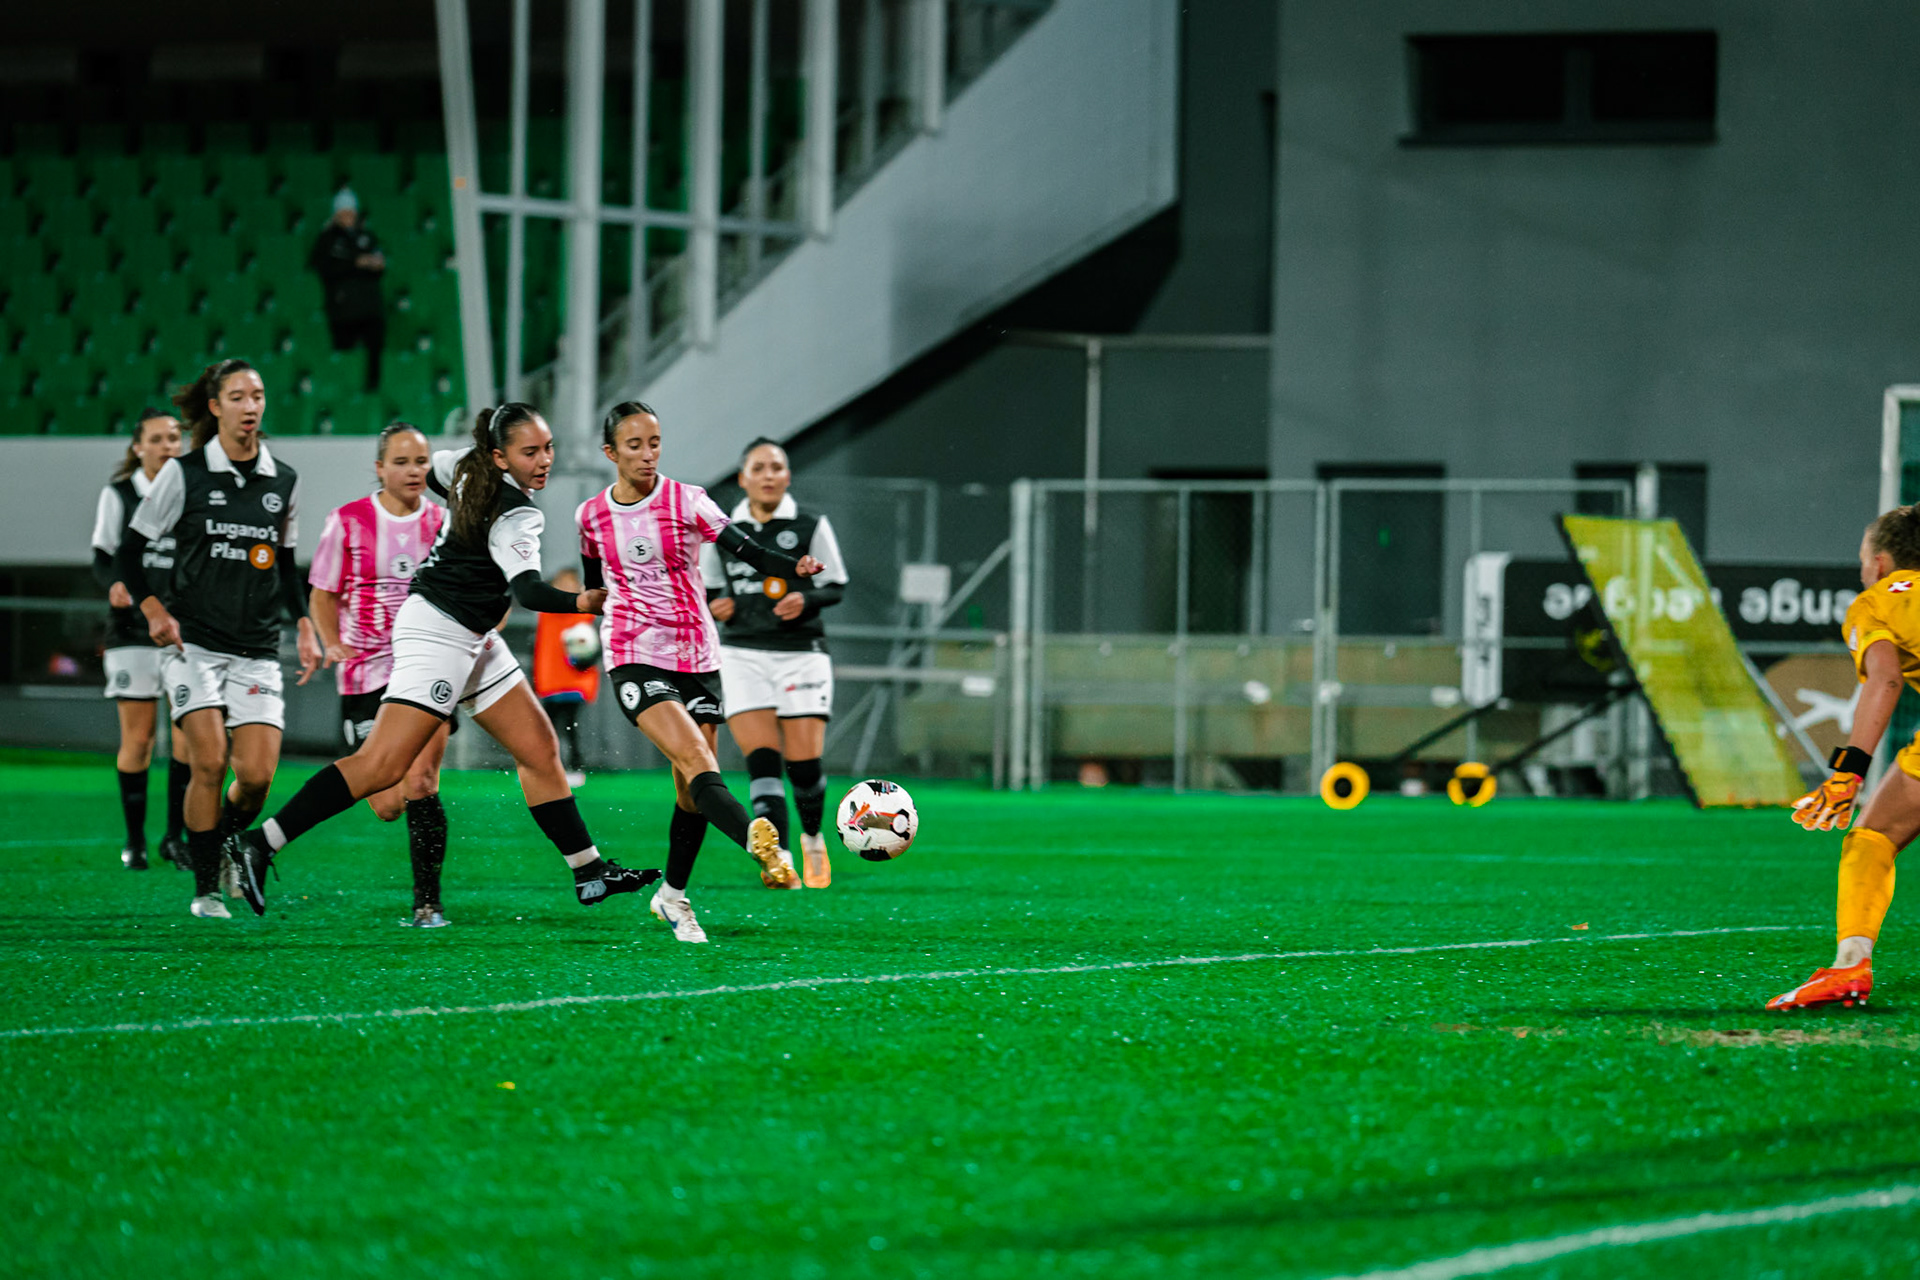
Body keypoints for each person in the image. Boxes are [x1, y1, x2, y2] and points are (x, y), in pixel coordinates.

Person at [223, 403, 660, 918]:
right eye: (530, 452)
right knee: (382, 767)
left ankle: (589, 871)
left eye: (548, 448)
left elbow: (435, 475)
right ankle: (261, 842)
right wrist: (582, 602)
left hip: (467, 632)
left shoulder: (465, 465)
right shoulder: (518, 512)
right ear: (500, 456)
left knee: (540, 747)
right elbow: (529, 590)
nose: (544, 460)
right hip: (439, 633)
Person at [579, 401, 823, 944]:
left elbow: (748, 550)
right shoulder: (591, 516)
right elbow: (596, 589)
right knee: (694, 760)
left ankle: (672, 898)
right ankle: (761, 844)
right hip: (633, 652)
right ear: (610, 452)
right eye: (635, 445)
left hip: (695, 656)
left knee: (691, 790)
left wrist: (795, 568)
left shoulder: (688, 500)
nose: (647, 454)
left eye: (655, 442)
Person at [117, 360, 322, 919]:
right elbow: (128, 553)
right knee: (208, 762)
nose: (251, 405)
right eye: (238, 396)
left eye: (257, 395)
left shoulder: (284, 480)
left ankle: (230, 845)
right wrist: (154, 608)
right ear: (215, 406)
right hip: (194, 646)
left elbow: (284, 564)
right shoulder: (183, 475)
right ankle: (206, 887)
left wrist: (304, 622)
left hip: (256, 648)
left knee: (255, 778)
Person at [1770, 504, 1920, 1010]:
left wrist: (1847, 772)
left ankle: (1850, 965)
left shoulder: (1875, 602)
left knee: (1872, 837)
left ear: (1879, 563)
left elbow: (1885, 679)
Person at [307, 423, 455, 928]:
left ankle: (427, 904)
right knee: (387, 803)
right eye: (401, 462)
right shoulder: (346, 522)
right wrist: (332, 642)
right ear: (380, 468)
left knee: (421, 779)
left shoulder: (442, 521)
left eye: (421, 462)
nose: (414, 471)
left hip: (426, 667)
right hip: (364, 673)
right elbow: (323, 594)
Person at [701, 438, 849, 888]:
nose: (768, 475)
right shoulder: (726, 532)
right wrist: (716, 605)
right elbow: (706, 591)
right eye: (758, 468)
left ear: (787, 476)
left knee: (804, 767)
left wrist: (806, 598)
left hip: (802, 655)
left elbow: (837, 584)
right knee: (762, 759)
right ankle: (780, 858)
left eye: (777, 467)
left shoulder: (809, 525)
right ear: (743, 477)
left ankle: (811, 837)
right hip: (743, 654)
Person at [91, 408, 193, 872]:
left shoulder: (191, 489)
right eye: (157, 439)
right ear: (139, 447)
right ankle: (135, 841)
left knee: (187, 738)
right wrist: (113, 583)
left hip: (184, 630)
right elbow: (102, 558)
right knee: (139, 741)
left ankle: (176, 836)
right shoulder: (119, 494)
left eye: (174, 438)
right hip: (132, 630)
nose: (168, 445)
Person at [309, 187, 386, 391]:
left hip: (369, 306)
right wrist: (355, 263)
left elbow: (378, 263)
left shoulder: (366, 236)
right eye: (344, 213)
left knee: (374, 349)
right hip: (343, 309)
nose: (348, 217)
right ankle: (343, 394)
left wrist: (375, 264)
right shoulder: (328, 239)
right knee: (344, 355)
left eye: (351, 212)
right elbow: (322, 266)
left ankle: (372, 390)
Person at [532, 567, 600, 789]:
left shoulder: (583, 614)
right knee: (547, 729)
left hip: (575, 683)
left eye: (570, 582)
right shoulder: (547, 612)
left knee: (570, 728)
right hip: (550, 682)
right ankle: (544, 769)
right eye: (561, 582)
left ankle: (575, 768)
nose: (566, 586)